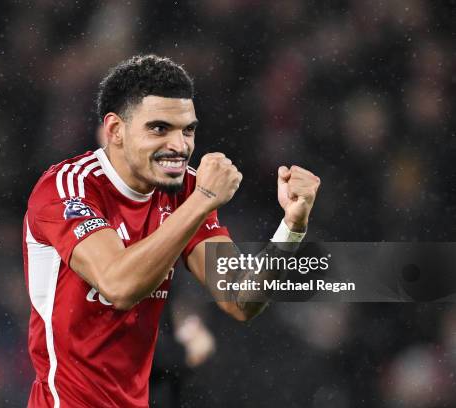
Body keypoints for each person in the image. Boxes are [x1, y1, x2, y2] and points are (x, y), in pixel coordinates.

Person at [23, 54, 321, 408]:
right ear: (116, 130)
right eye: (159, 128)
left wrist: (292, 227)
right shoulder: (68, 187)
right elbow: (118, 285)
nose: (180, 146)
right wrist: (203, 200)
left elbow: (240, 299)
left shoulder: (185, 191)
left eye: (188, 130)